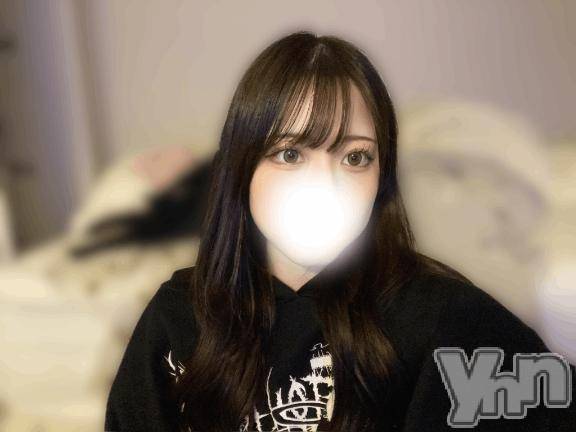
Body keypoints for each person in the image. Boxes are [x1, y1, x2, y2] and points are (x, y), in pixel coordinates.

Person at [104, 31, 576, 432]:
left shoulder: (444, 316)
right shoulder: (178, 317)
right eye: (291, 154)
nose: (324, 185)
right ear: (242, 168)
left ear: (381, 178)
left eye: (355, 157)